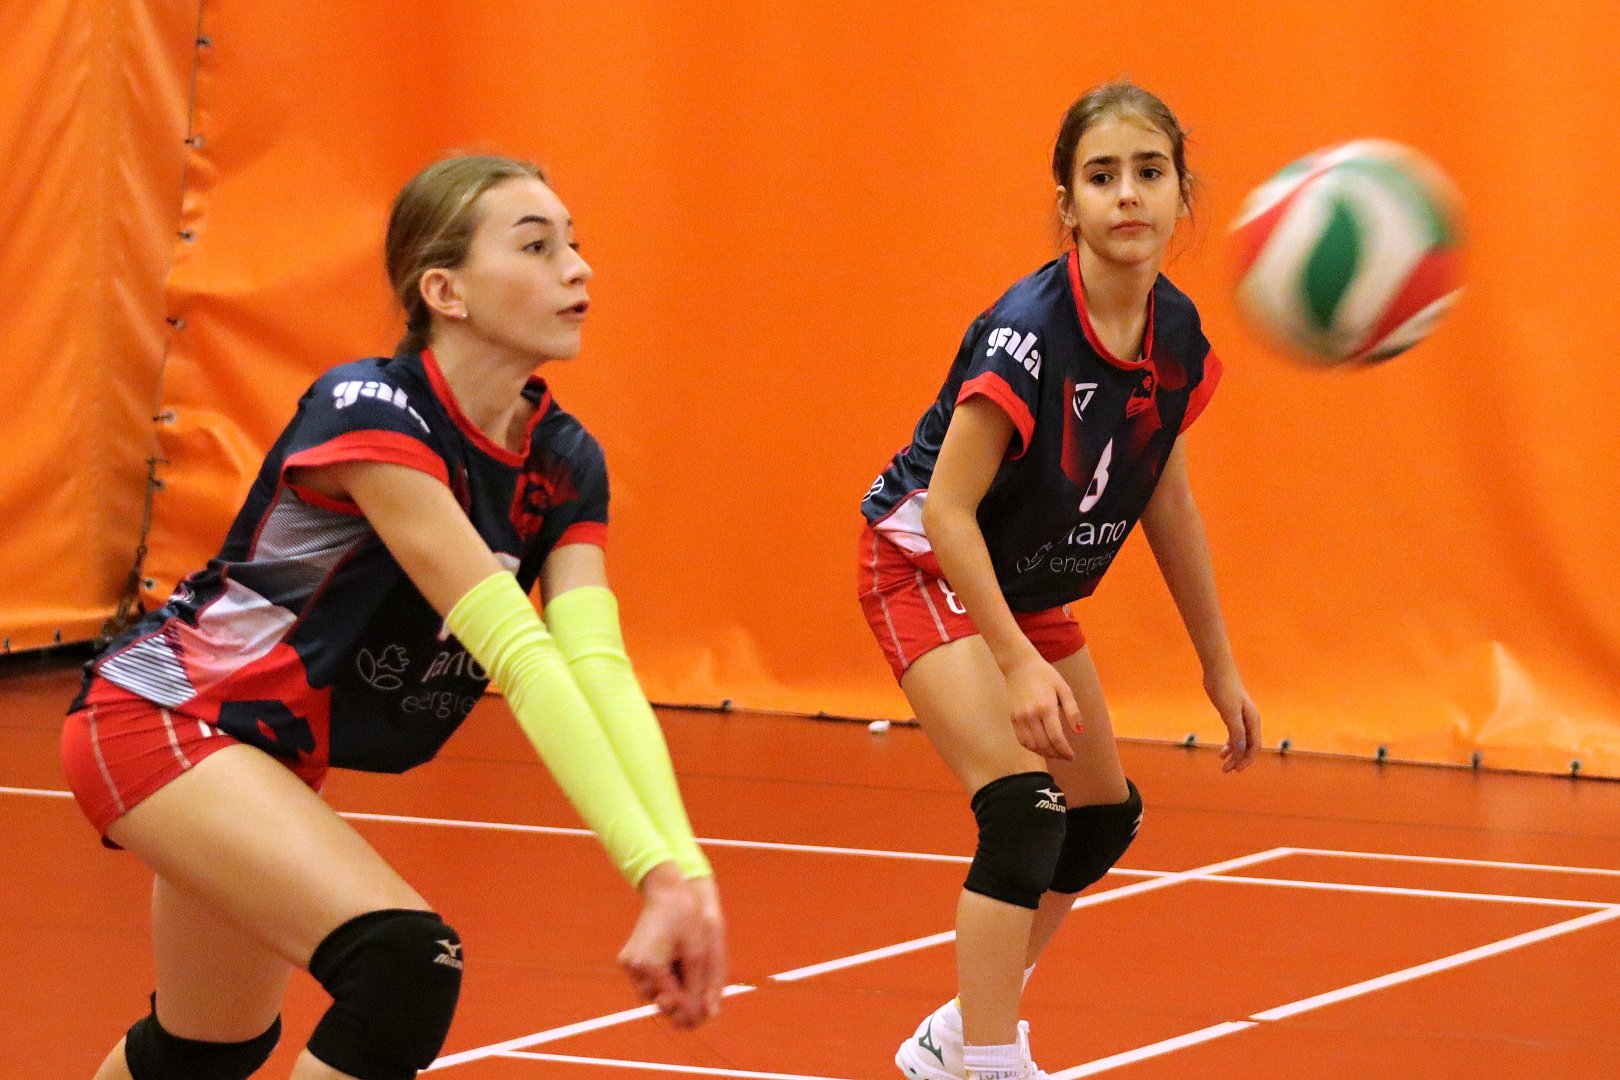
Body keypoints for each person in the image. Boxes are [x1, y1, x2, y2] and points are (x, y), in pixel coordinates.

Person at [61, 154, 726, 1080]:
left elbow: (596, 667)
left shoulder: (563, 457)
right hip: (163, 718)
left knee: (203, 1049)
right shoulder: (371, 411)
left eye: (575, 244)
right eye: (536, 247)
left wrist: (686, 872)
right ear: (444, 291)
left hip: (264, 756)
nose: (578, 268)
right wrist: (650, 872)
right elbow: (519, 652)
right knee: (405, 965)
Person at [858, 82, 1261, 1080]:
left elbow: (1166, 497)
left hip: (1021, 586)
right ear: (1068, 204)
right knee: (1024, 811)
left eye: (1150, 172)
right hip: (924, 566)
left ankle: (959, 1035)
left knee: (1100, 816)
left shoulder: (1175, 336)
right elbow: (947, 512)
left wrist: (1218, 665)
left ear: (1181, 195)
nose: (1128, 194)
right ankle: (992, 1063)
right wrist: (1015, 662)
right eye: (1102, 175)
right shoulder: (1030, 334)